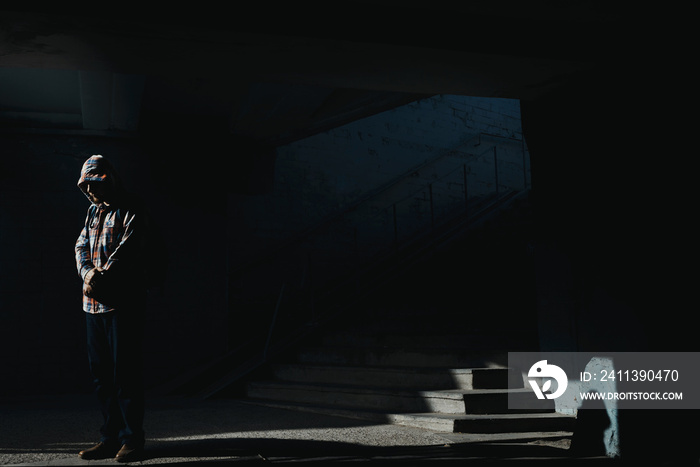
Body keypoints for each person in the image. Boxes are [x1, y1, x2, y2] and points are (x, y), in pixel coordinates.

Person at [74, 155, 151, 462]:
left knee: (126, 375)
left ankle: (132, 439)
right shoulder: (92, 213)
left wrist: (101, 277)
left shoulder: (131, 209)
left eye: (94, 183)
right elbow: (81, 247)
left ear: (109, 179)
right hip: (92, 307)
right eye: (86, 185)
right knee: (101, 376)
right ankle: (109, 437)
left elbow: (130, 249)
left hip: (123, 306)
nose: (90, 190)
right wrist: (87, 273)